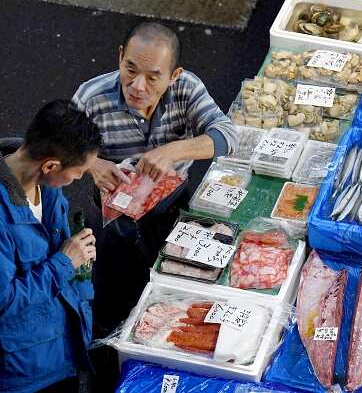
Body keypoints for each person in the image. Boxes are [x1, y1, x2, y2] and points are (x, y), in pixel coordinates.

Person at [71, 22, 238, 336]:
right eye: (130, 70)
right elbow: (60, 146)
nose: (137, 86)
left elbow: (228, 135)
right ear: (120, 57)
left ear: (174, 75)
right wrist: (93, 164)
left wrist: (173, 151)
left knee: (175, 293)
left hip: (170, 206)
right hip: (113, 213)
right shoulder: (92, 97)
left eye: (152, 77)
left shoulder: (187, 88)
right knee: (111, 299)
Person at [0, 100, 100, 393]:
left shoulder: (49, 188)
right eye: (79, 172)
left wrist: (78, 259)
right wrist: (65, 263)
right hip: (25, 372)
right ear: (51, 165)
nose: (79, 179)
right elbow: (4, 303)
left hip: (62, 349)